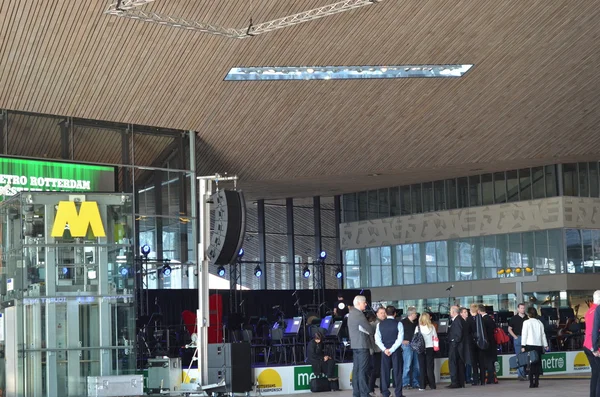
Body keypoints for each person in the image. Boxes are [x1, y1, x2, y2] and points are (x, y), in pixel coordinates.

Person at [375, 306, 405, 397]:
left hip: (385, 351)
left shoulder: (379, 324)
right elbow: (400, 339)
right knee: (397, 372)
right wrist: (392, 349)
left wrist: (385, 349)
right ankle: (398, 393)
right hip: (395, 351)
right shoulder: (399, 323)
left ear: (385, 313)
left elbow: (377, 339)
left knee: (384, 372)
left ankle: (385, 393)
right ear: (395, 313)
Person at [348, 295, 374, 397]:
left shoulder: (351, 313)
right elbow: (370, 329)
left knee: (357, 370)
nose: (366, 304)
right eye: (364, 302)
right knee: (363, 370)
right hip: (362, 345)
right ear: (359, 303)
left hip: (355, 345)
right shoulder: (359, 314)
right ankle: (364, 393)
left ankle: (357, 393)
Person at [521, 307, 548, 388]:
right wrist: (545, 345)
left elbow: (524, 334)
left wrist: (523, 345)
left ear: (528, 314)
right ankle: (536, 382)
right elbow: (543, 335)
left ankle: (531, 383)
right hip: (538, 345)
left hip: (529, 345)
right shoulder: (539, 322)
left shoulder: (526, 322)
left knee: (530, 364)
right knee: (538, 364)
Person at [446, 306, 468, 388]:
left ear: (453, 312)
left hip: (455, 346)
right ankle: (460, 382)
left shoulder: (457, 320)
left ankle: (455, 382)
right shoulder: (459, 319)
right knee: (459, 364)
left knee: (453, 363)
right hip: (459, 346)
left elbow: (458, 334)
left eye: (450, 311)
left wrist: (453, 341)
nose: (449, 312)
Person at [415, 312, 437, 391]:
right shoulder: (432, 327)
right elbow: (435, 338)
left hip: (421, 349)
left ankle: (422, 386)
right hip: (430, 348)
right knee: (430, 367)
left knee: (422, 367)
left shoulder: (418, 328)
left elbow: (416, 339)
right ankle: (432, 385)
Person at [584, 290, 600, 397]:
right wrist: (596, 349)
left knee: (595, 373)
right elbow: (596, 331)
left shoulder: (589, 311)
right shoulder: (597, 311)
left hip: (587, 345)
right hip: (594, 346)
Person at [401, 307, 420, 389]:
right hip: (407, 345)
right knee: (407, 365)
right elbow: (397, 333)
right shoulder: (402, 322)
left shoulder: (415, 323)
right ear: (412, 314)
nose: (416, 315)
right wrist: (402, 341)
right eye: (415, 313)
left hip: (415, 345)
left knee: (417, 365)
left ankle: (415, 382)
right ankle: (405, 383)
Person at [478, 304, 497, 385]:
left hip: (487, 343)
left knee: (488, 361)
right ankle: (492, 378)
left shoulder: (483, 319)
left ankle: (490, 379)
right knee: (491, 361)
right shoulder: (490, 318)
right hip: (492, 342)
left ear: (479, 311)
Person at [508, 303, 528, 381]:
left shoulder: (527, 318)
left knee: (526, 356)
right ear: (518, 309)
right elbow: (509, 329)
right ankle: (521, 374)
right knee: (519, 356)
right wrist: (515, 337)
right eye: (521, 308)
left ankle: (524, 373)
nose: (523, 309)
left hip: (526, 338)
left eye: (523, 308)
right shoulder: (514, 318)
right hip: (518, 337)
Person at [369, 307, 386, 395]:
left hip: (384, 350)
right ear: (377, 314)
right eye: (381, 313)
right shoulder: (373, 324)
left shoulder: (386, 323)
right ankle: (371, 389)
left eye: (384, 312)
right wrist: (372, 348)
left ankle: (383, 390)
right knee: (376, 370)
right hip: (377, 350)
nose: (383, 314)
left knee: (382, 370)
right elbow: (370, 337)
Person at [468, 304, 481, 386]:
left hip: (472, 342)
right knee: (481, 361)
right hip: (480, 342)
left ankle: (475, 379)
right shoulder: (480, 318)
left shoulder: (468, 320)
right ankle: (482, 378)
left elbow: (467, 331)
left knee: (474, 362)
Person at [459, 307, 472, 384]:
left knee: (468, 361)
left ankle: (468, 377)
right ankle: (465, 377)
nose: (466, 313)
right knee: (465, 360)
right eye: (464, 312)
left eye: (466, 312)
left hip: (468, 343)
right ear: (461, 314)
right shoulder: (461, 322)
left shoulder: (468, 321)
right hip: (463, 343)